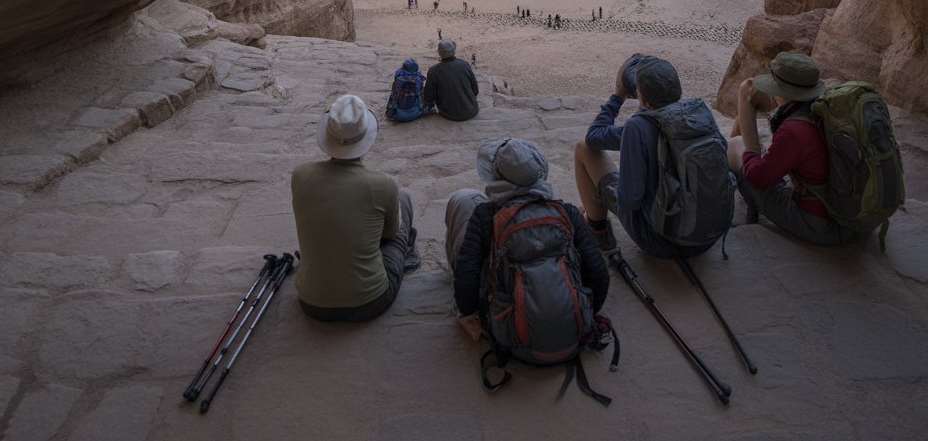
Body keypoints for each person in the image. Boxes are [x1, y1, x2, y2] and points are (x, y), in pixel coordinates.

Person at [445, 138, 609, 339]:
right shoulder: (566, 212)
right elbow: (598, 273)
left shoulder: (485, 216)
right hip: (572, 327)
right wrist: (585, 311)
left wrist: (469, 311)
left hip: (510, 332)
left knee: (463, 200)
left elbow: (466, 275)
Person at [574, 55, 730, 258]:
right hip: (708, 237)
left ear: (644, 100)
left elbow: (628, 200)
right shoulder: (699, 111)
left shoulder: (637, 127)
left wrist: (618, 94)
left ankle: (597, 229)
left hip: (661, 240)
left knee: (583, 148)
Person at [291, 94, 420, 322]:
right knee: (403, 202)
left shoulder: (300, 175)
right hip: (370, 300)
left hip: (311, 303)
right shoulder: (383, 184)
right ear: (366, 137)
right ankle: (404, 260)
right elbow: (389, 234)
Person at [727, 51, 856, 245]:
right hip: (852, 216)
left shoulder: (794, 130)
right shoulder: (825, 109)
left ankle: (745, 203)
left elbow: (758, 177)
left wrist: (751, 151)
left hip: (819, 223)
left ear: (780, 91)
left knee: (735, 146)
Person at [423, 39, 479, 121]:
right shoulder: (465, 64)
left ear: (439, 53)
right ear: (454, 51)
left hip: (448, 113)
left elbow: (429, 96)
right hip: (471, 110)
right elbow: (475, 90)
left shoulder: (433, 70)